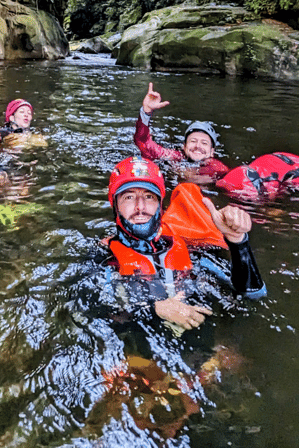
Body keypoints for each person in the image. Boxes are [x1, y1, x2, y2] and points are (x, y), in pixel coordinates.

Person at [97, 156, 266, 330]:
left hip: (196, 347)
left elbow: (253, 295)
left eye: (149, 196)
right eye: (129, 197)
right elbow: (91, 311)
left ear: (159, 205)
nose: (140, 207)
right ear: (115, 206)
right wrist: (153, 308)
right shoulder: (104, 257)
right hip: (137, 347)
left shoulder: (190, 249)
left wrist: (237, 242)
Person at [135, 83, 231, 183]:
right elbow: (144, 143)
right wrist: (146, 112)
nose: (198, 146)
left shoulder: (220, 169)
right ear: (184, 147)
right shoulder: (175, 157)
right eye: (193, 141)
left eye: (204, 143)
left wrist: (185, 172)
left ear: (212, 152)